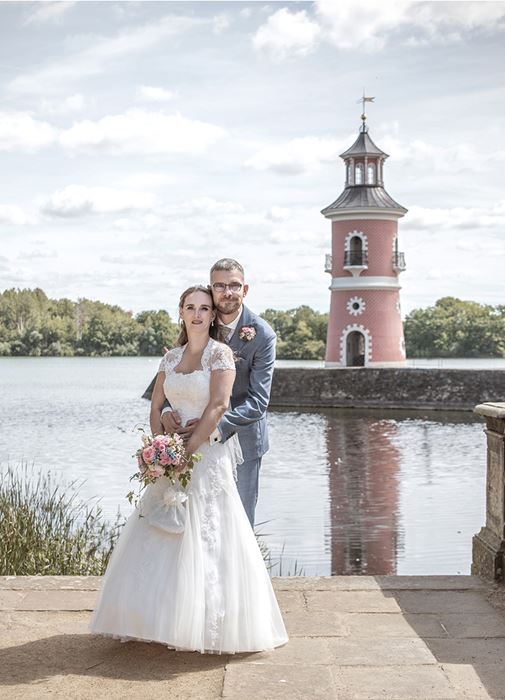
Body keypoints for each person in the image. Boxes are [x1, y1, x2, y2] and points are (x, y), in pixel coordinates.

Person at [91, 285, 288, 653]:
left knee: (209, 531)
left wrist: (188, 450)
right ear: (180, 312)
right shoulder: (170, 359)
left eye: (204, 308)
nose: (197, 314)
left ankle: (208, 623)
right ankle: (152, 619)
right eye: (190, 307)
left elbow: (219, 406)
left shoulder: (221, 355)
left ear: (212, 316)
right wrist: (159, 447)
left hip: (206, 456)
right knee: (160, 529)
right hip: (172, 456)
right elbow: (156, 407)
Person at [161, 259, 276, 527]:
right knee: (194, 518)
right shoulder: (199, 320)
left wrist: (210, 427)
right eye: (220, 286)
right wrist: (166, 409)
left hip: (242, 440)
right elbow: (176, 376)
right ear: (211, 289)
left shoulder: (263, 335)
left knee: (239, 522)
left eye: (234, 285)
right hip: (190, 437)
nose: (227, 292)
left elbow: (258, 402)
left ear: (245, 290)